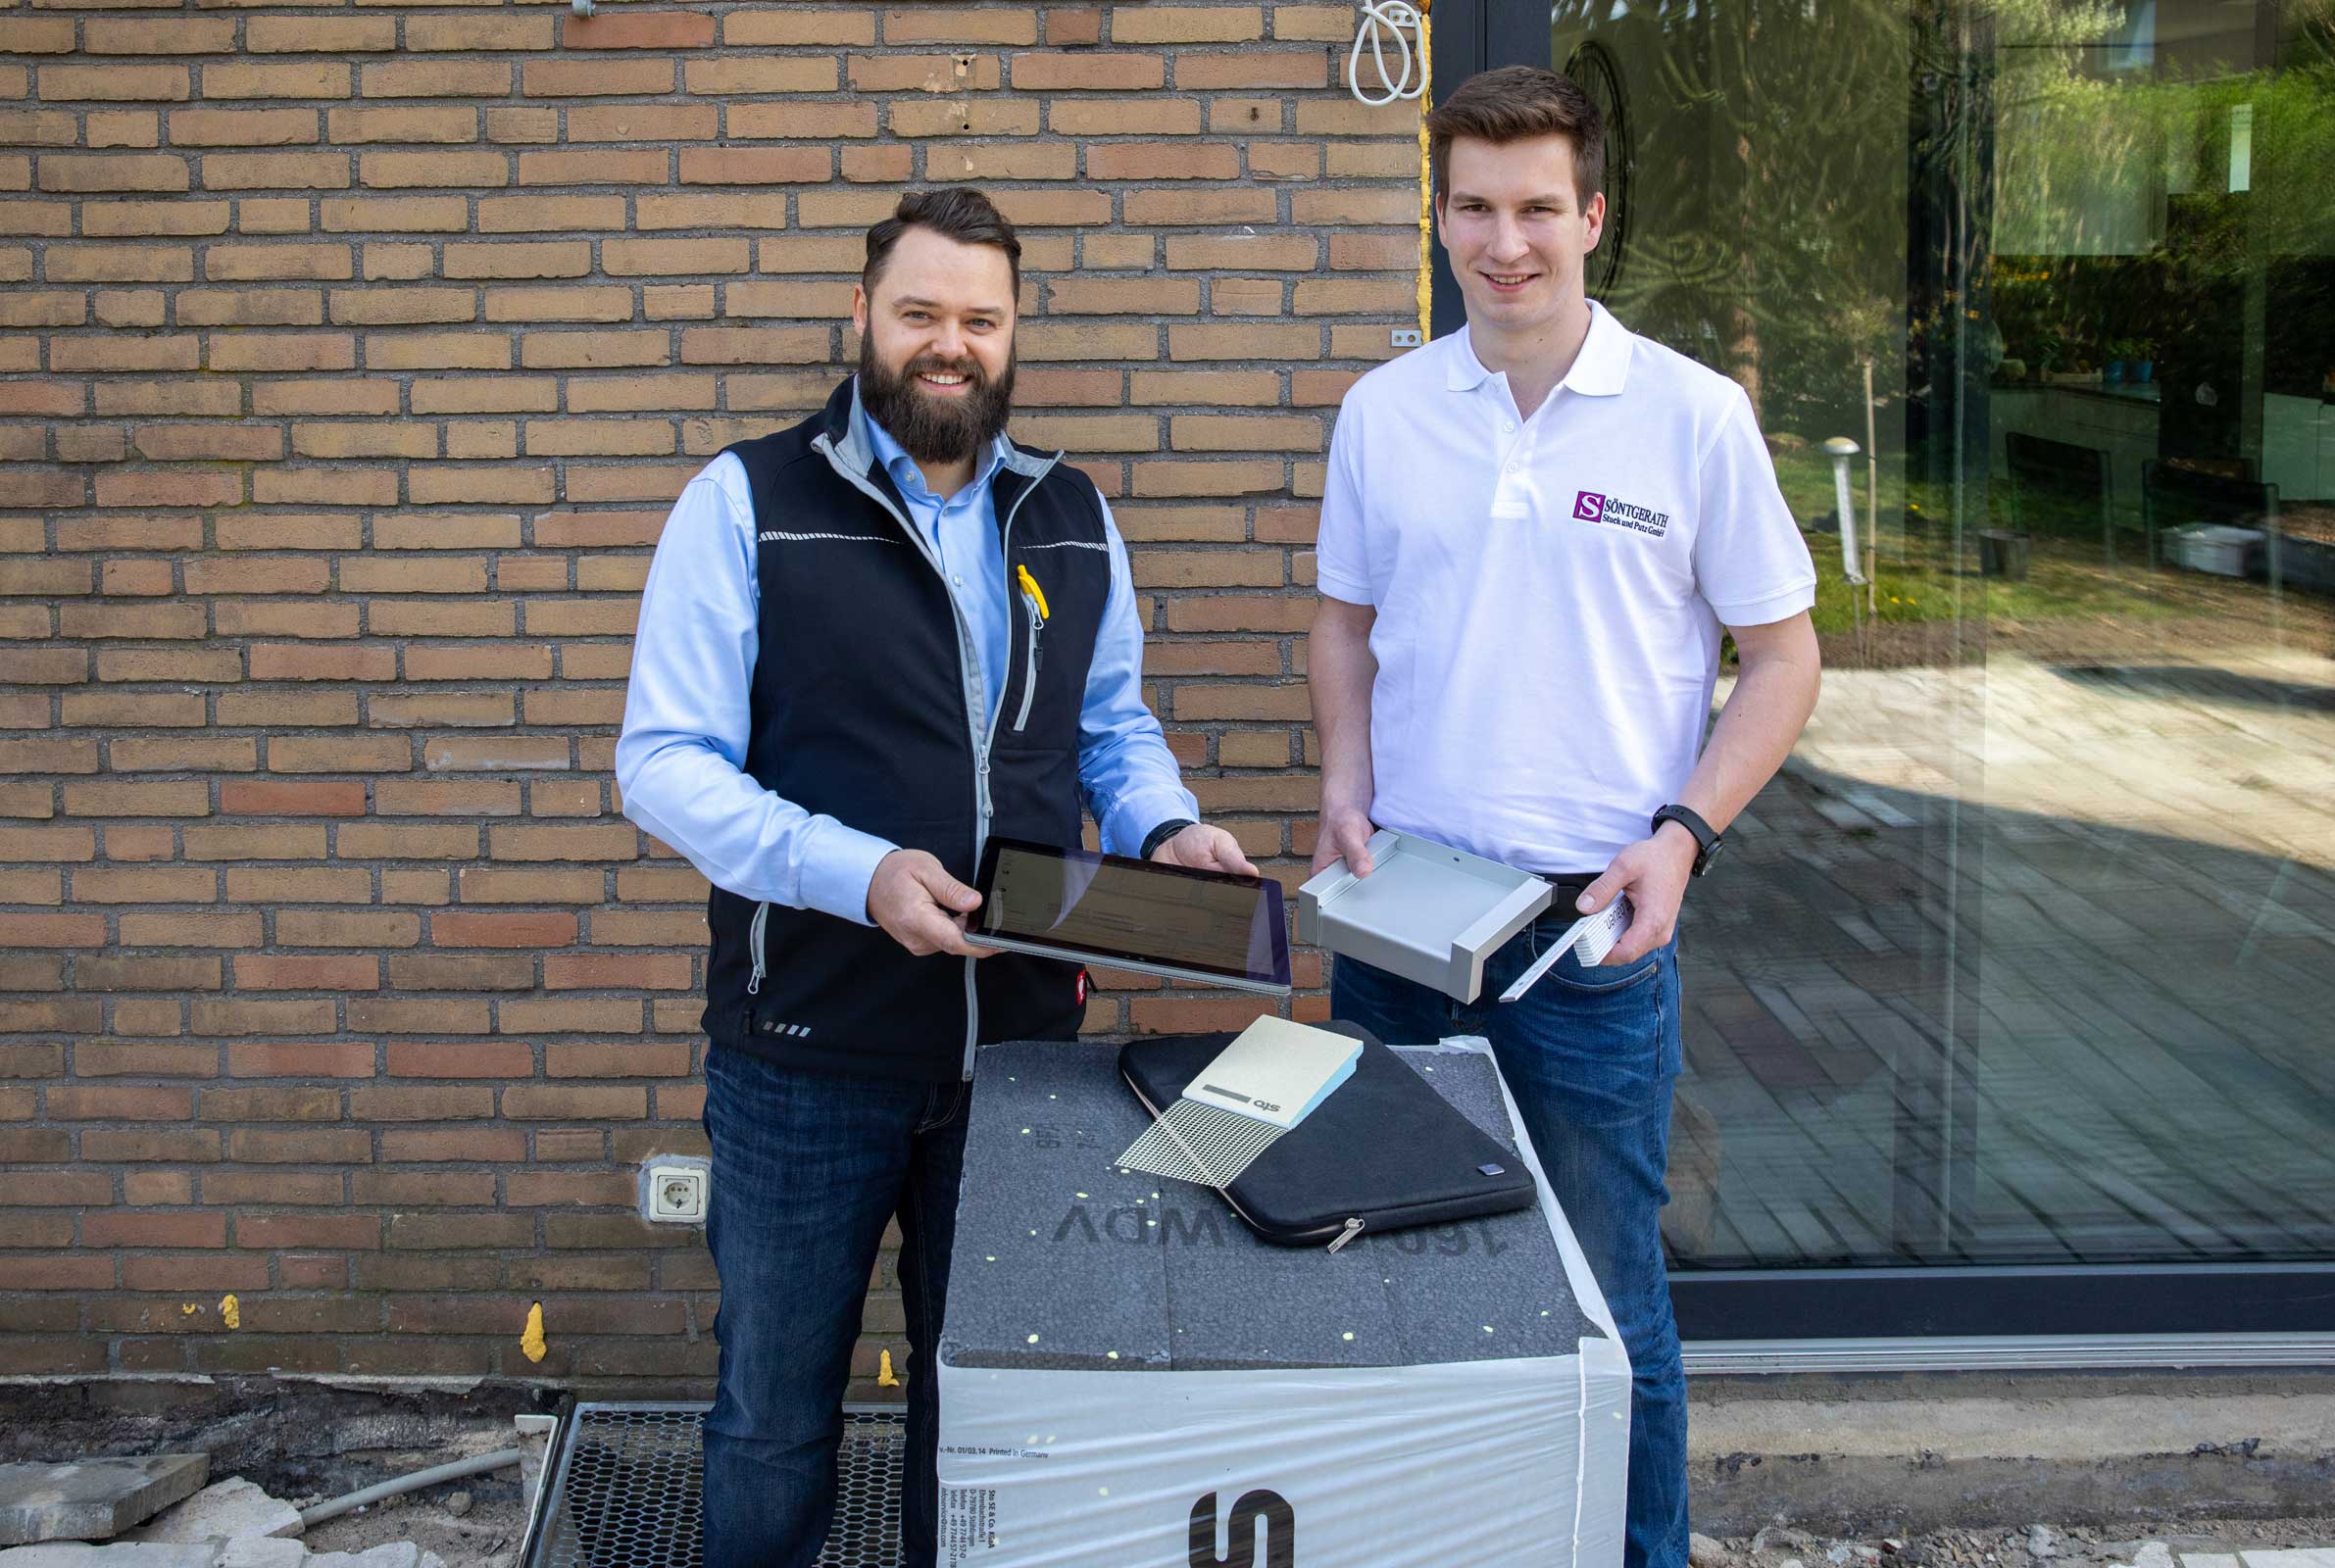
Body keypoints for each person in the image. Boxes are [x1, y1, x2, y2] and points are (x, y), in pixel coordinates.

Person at [617, 187, 1255, 1568]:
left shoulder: (1070, 513)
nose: (947, 344)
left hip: (1021, 1054)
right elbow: (663, 762)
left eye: (980, 317)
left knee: (985, 1418)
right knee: (775, 1417)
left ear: (1014, 335)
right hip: (807, 1054)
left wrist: (1164, 834)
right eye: (919, 313)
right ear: (861, 316)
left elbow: (1111, 728)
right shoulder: (745, 502)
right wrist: (858, 874)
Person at [1307, 66, 1822, 1568]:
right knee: (1398, 1276)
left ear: (1593, 216)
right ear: (1441, 216)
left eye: (1538, 206)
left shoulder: (1691, 416)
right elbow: (1344, 623)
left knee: (1612, 1304)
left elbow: (1783, 655)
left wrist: (1685, 830)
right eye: (1474, 206)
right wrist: (1343, 779)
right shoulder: (1385, 412)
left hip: (1593, 932)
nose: (1505, 240)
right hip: (1404, 913)